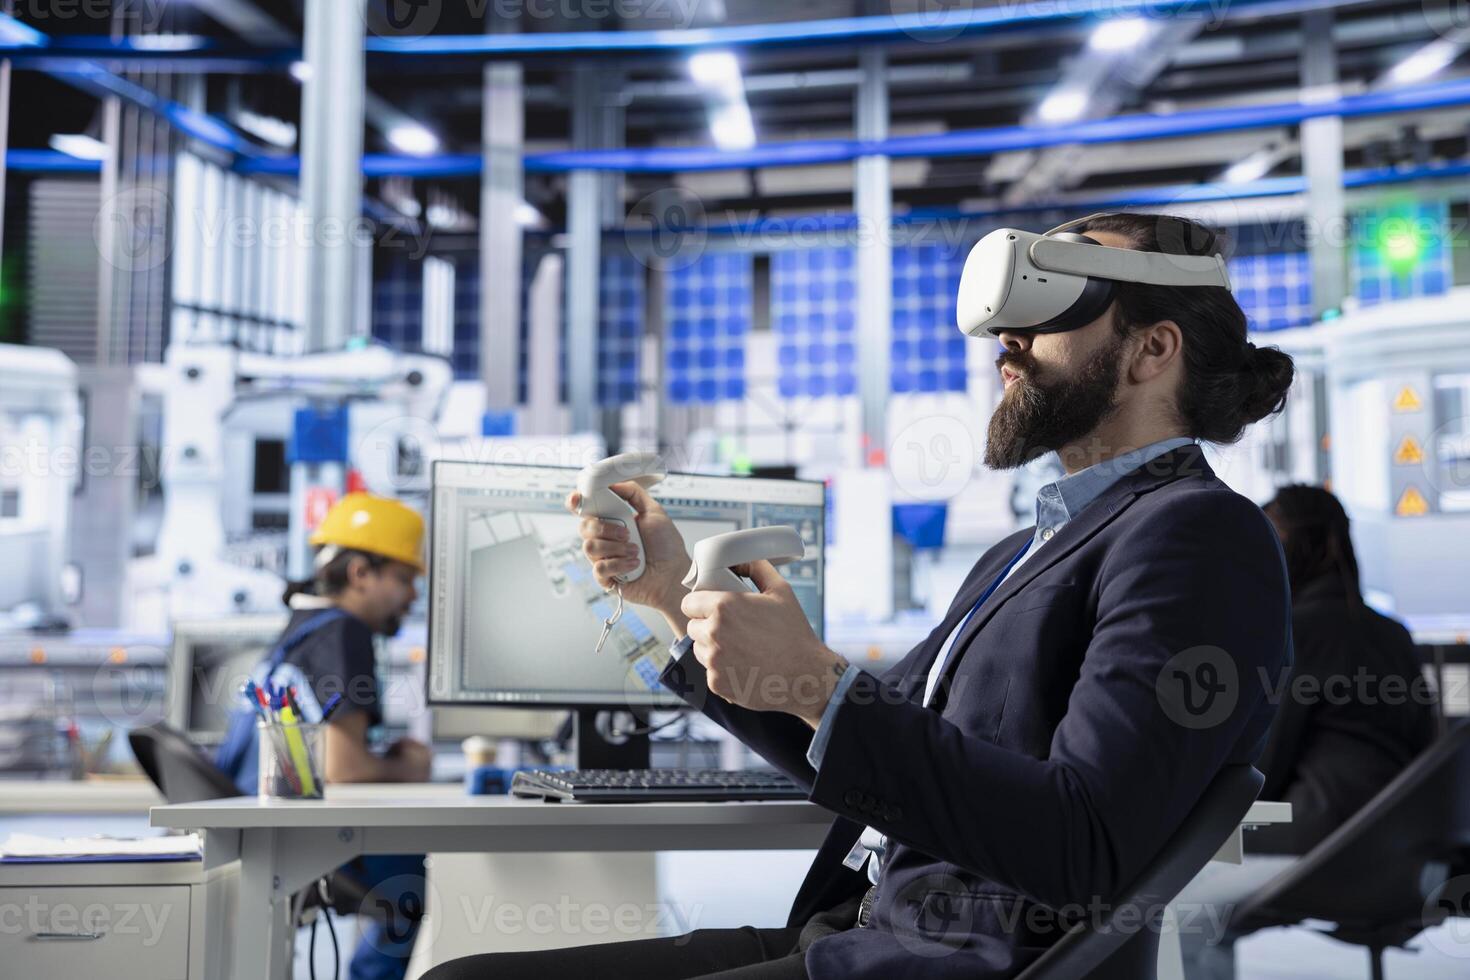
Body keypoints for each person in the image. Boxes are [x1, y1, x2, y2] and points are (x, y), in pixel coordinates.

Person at [425, 211, 1297, 980]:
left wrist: (815, 683)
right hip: (863, 933)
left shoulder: (1198, 537)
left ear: (1154, 349)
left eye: (1059, 304)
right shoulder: (1023, 549)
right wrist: (669, 593)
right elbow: (856, 738)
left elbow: (1086, 844)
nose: (1007, 341)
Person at [1174, 484, 1436, 979]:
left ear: (1293, 547)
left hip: (1326, 849)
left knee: (1180, 904)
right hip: (1408, 854)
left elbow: (1259, 773)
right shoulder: (1392, 634)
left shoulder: (1296, 632)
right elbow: (1424, 752)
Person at [216, 492, 432, 980]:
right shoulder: (344, 633)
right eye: (403, 579)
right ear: (359, 574)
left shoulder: (302, 627)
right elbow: (343, 768)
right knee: (414, 880)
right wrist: (409, 768)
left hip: (264, 827)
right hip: (306, 838)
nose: (412, 596)